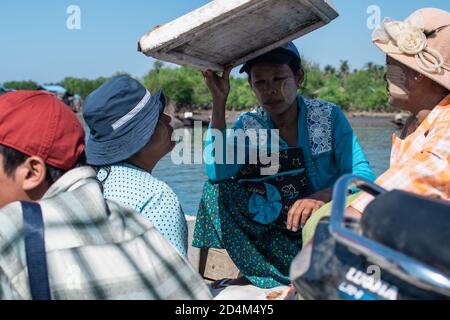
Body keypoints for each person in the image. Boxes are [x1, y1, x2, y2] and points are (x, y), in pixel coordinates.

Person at [193, 42, 375, 289]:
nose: (271, 90)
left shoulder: (328, 117)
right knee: (215, 193)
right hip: (277, 229)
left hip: (321, 231)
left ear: (298, 77)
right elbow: (218, 173)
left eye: (280, 79)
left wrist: (319, 198)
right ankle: (263, 274)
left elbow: (363, 177)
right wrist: (218, 101)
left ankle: (303, 274)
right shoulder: (249, 124)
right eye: (260, 83)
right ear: (251, 86)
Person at [0, 90, 211, 300]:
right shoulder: (136, 218)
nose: (168, 118)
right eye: (155, 118)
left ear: (32, 172)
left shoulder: (13, 227)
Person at [347, 7, 450, 216]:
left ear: (418, 74)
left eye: (391, 66)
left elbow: (422, 173)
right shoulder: (415, 123)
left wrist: (354, 214)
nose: (386, 77)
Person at [83, 76, 188, 256]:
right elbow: (178, 281)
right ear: (141, 137)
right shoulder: (156, 198)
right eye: (157, 116)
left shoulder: (89, 182)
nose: (168, 118)